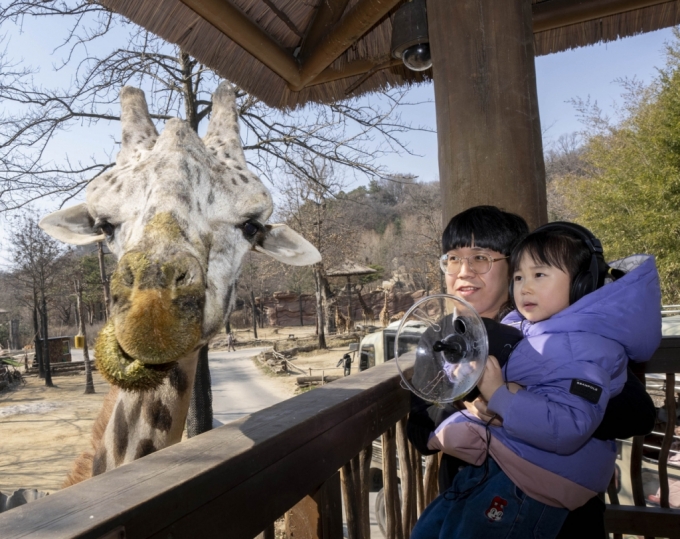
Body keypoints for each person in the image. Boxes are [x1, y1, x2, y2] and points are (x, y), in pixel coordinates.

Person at [406, 206, 657, 538]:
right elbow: (420, 425)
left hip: (560, 513)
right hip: (469, 495)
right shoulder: (442, 338)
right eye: (452, 258)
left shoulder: (557, 329)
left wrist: (511, 400)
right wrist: (471, 406)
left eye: (480, 257)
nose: (463, 271)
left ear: (511, 263)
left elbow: (637, 414)